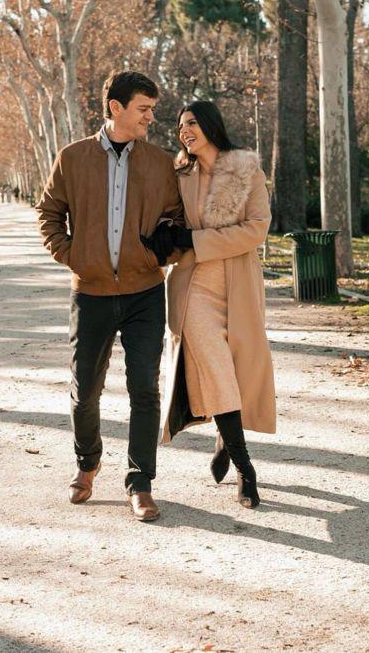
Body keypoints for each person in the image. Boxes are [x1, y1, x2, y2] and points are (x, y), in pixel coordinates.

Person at [36, 71, 184, 522]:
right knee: (85, 391)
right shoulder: (72, 157)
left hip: (144, 292)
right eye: (144, 108)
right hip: (91, 292)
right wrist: (74, 256)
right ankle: (87, 464)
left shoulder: (159, 163)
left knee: (145, 388)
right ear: (116, 108)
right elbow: (48, 213)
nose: (151, 118)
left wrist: (155, 255)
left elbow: (175, 221)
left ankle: (140, 483)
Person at [143, 100, 275, 509]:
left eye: (192, 123)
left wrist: (196, 240)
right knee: (217, 366)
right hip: (193, 285)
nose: (184, 130)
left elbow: (257, 229)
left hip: (237, 285)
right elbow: (163, 218)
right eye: (181, 125)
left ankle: (224, 439)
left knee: (233, 369)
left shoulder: (245, 171)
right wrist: (171, 237)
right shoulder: (177, 173)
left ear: (211, 126)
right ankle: (245, 468)